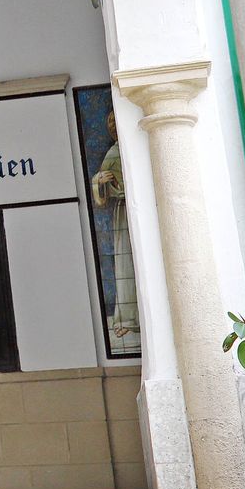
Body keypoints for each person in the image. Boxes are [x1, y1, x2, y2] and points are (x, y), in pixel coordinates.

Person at [90, 112, 138, 342]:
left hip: (136, 208)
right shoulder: (114, 152)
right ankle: (127, 318)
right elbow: (101, 199)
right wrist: (98, 180)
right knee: (126, 263)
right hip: (124, 212)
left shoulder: (133, 147)